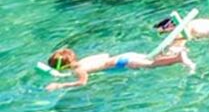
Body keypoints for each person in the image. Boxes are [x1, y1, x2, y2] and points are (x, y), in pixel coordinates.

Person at [44, 44, 195, 91]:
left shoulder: (78, 70)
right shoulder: (83, 61)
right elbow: (104, 55)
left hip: (122, 62)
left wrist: (60, 85)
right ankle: (173, 51)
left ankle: (178, 58)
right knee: (150, 58)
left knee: (152, 64)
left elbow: (82, 82)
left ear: (62, 67)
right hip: (122, 55)